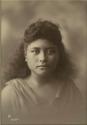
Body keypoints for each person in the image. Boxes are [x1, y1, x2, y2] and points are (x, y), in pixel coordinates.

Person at [1, 19, 84, 124]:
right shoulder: (12, 93)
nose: (43, 58)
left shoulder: (70, 91)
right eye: (35, 51)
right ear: (25, 55)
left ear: (59, 54)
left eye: (50, 51)